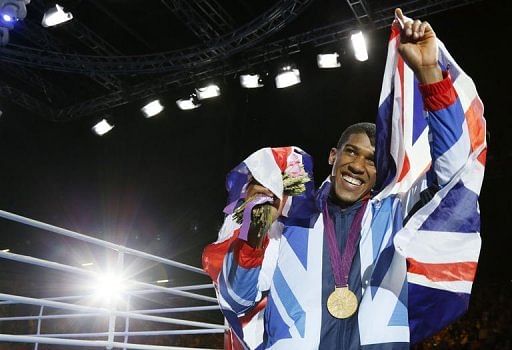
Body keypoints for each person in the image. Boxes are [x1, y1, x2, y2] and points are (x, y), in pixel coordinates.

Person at [202, 8, 486, 349]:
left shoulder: (394, 214)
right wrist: (255, 233)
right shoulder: (290, 218)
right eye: (351, 152)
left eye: (371, 160)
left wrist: (430, 77)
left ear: (381, 171)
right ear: (333, 157)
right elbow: (238, 301)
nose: (358, 166)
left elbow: (456, 174)